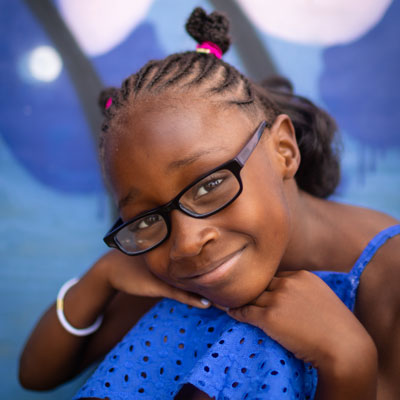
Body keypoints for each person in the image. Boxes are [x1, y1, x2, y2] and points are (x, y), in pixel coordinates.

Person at [19, 7, 400, 400]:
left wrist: (348, 362)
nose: (186, 242)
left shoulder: (391, 282)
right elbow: (37, 375)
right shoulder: (182, 264)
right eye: (144, 218)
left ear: (283, 150)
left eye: (209, 186)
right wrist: (101, 277)